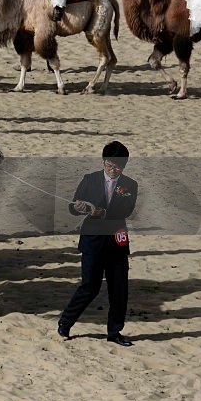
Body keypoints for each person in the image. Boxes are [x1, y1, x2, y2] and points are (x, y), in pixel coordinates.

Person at [58, 141, 139, 347]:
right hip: (93, 240)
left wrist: (101, 212)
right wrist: (78, 207)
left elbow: (126, 211)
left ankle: (114, 332)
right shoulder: (90, 180)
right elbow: (73, 207)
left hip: (117, 241)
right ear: (104, 162)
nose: (113, 170)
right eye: (110, 165)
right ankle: (65, 323)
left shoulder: (130, 185)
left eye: (119, 166)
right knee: (89, 287)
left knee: (119, 288)